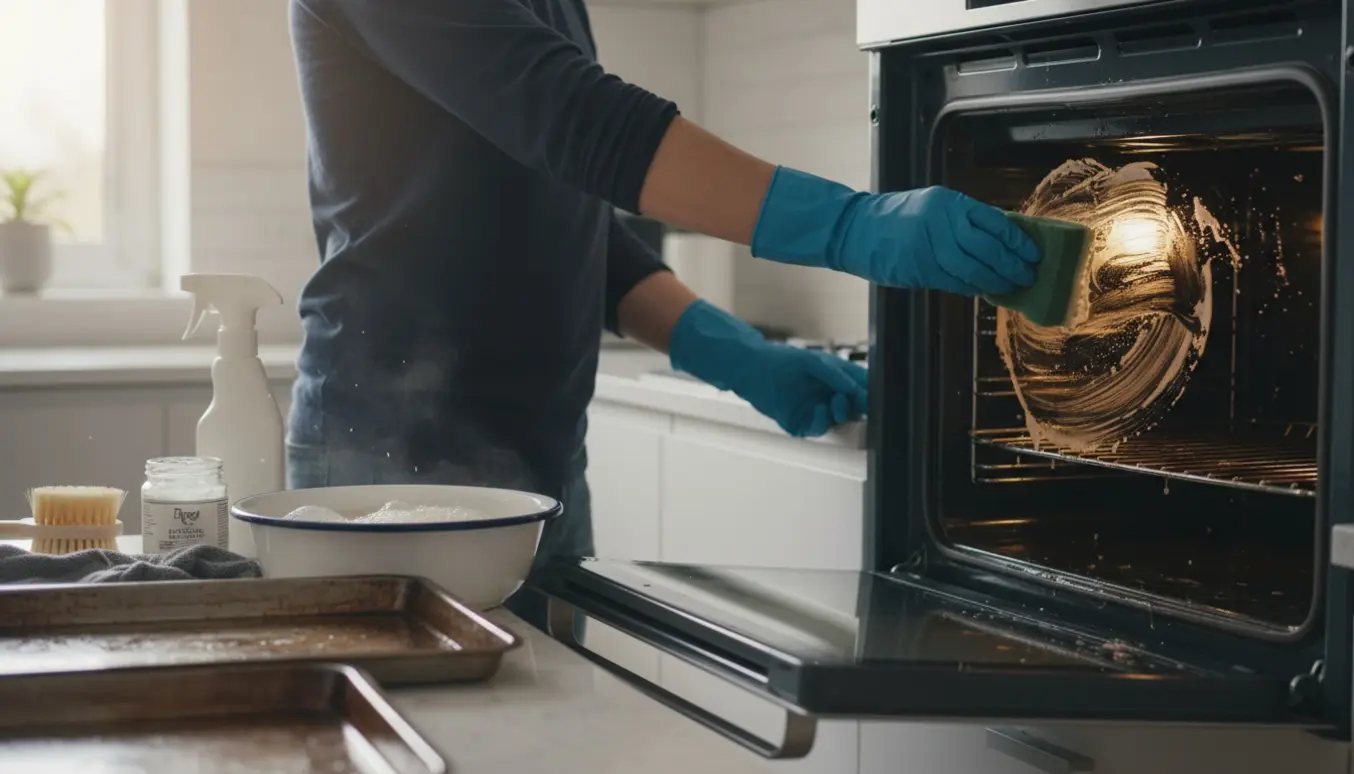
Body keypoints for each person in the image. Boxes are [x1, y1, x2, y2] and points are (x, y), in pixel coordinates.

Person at [286, 0, 1041, 629]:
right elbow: (574, 120)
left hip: (540, 460)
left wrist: (730, 351)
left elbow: (566, 211)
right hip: (388, 460)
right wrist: (848, 225)